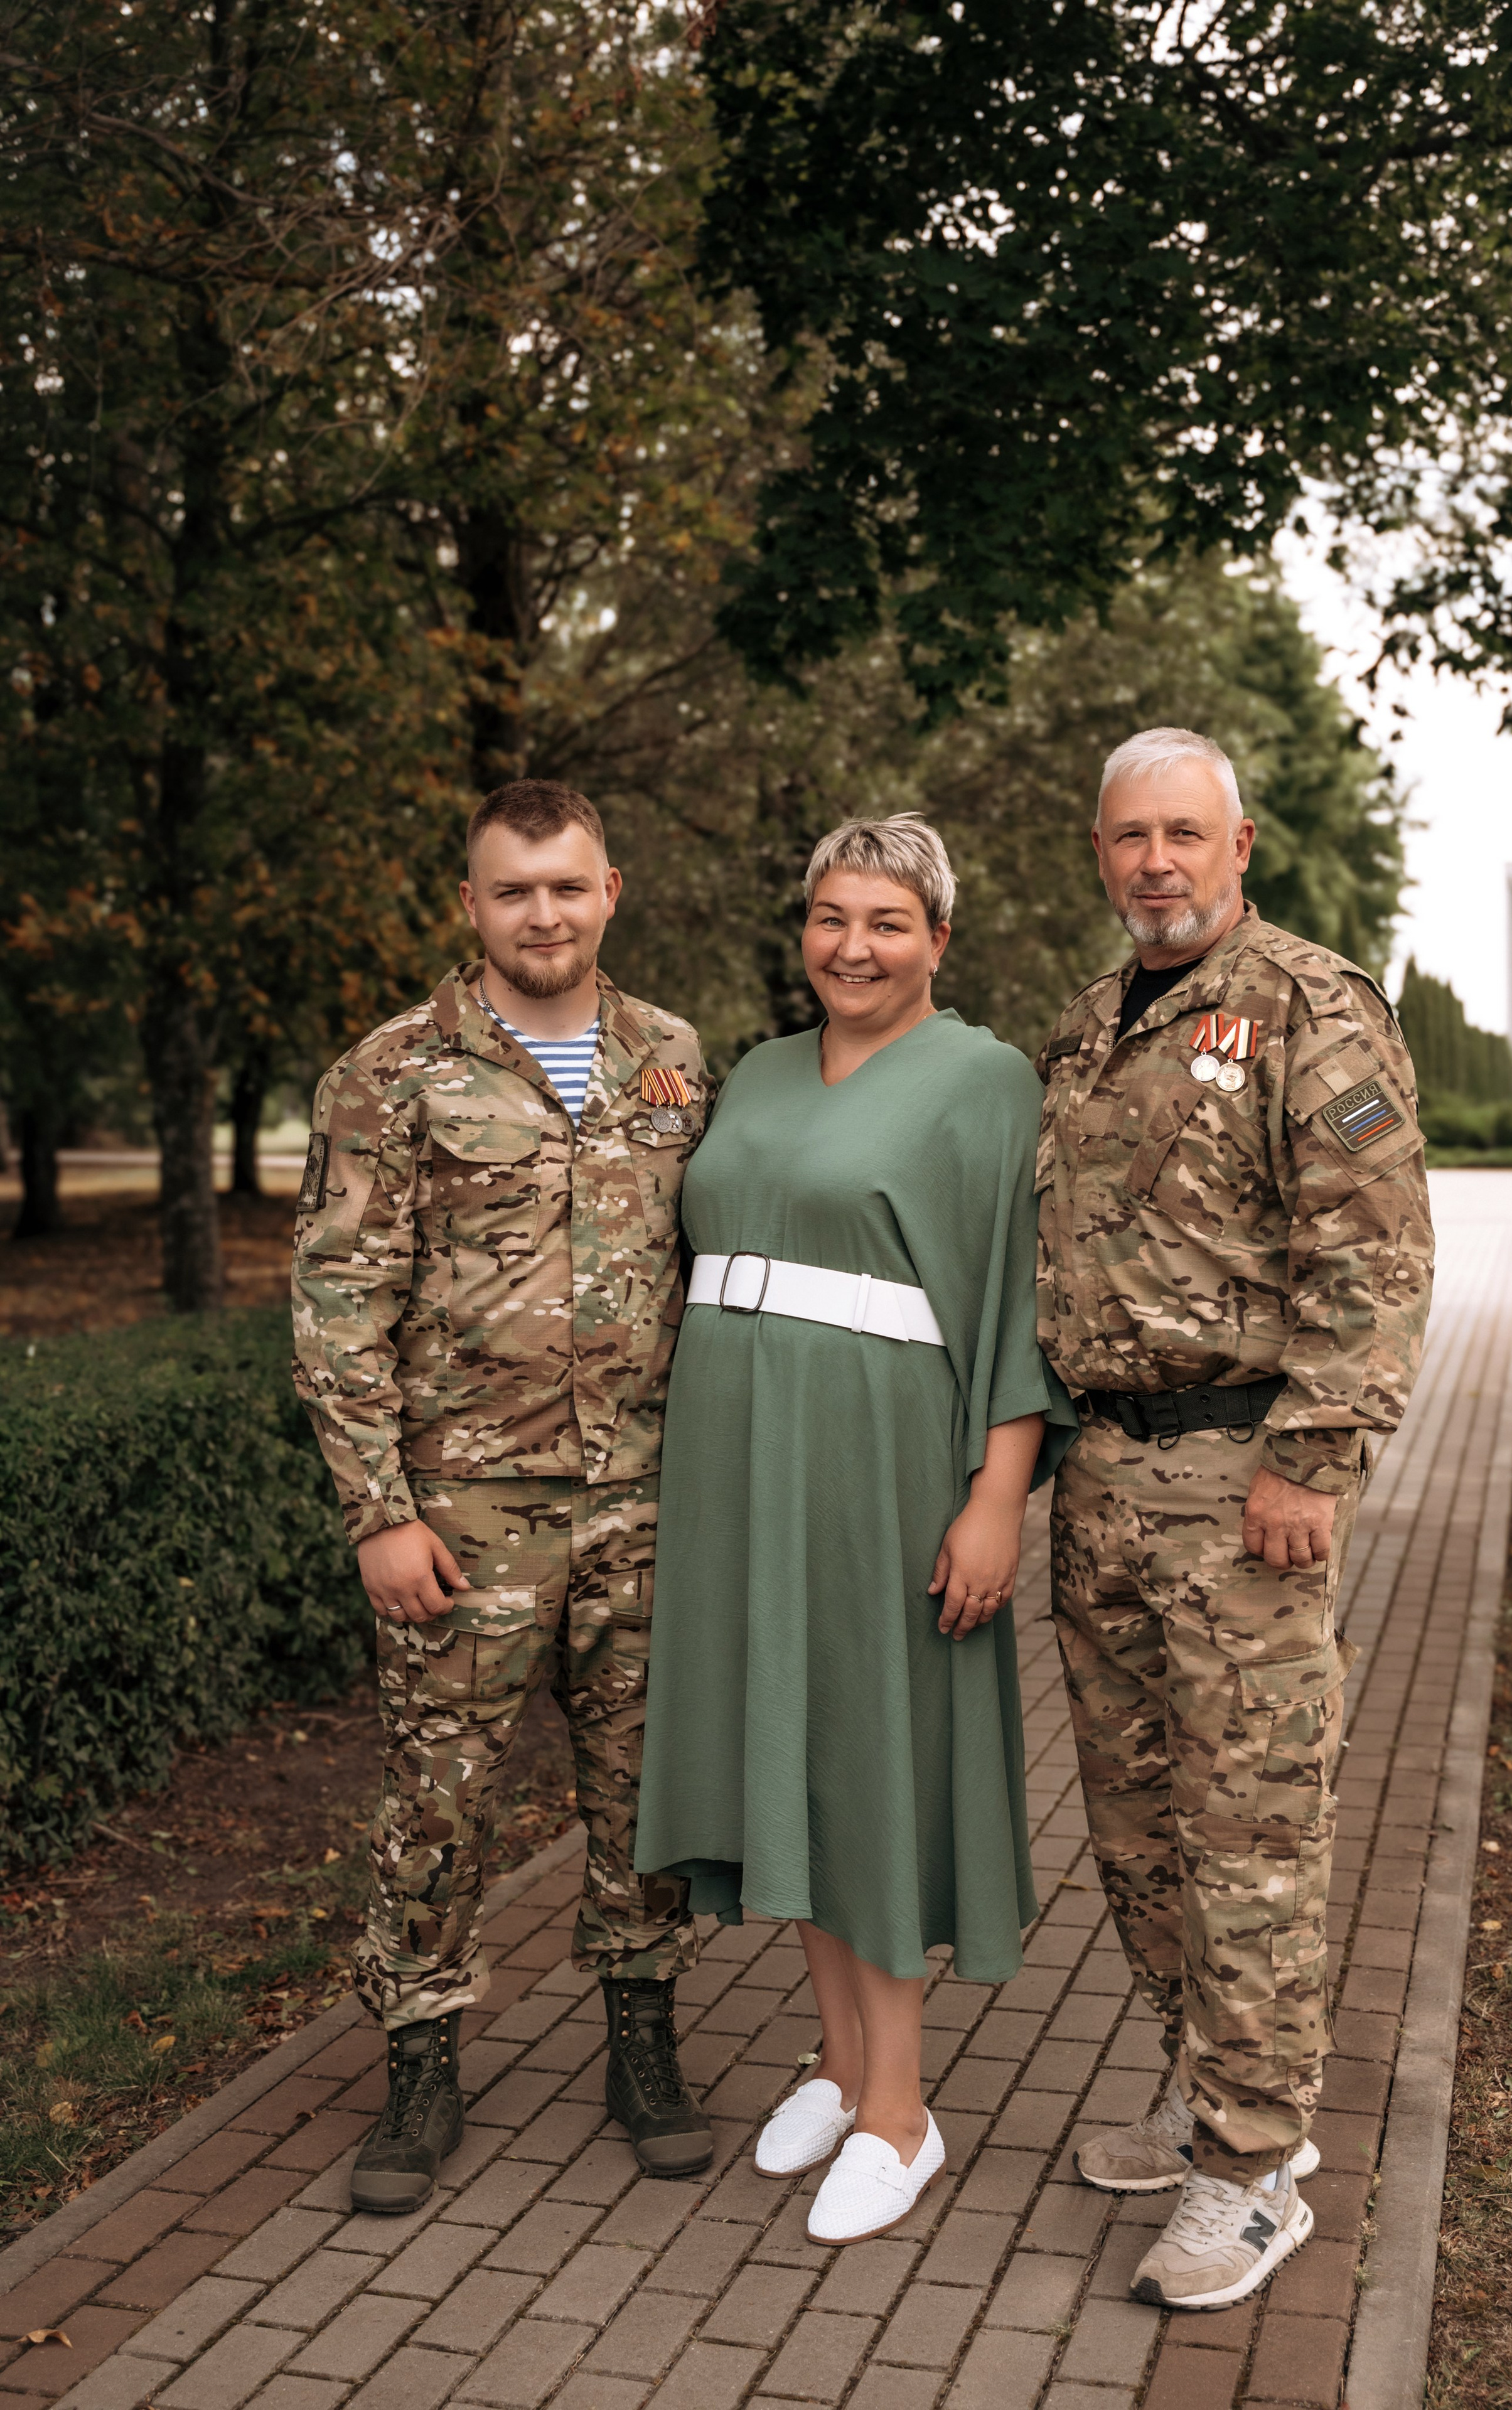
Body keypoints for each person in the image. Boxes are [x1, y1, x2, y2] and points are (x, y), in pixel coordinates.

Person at [1035, 727, 1434, 2310]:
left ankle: (1257, 2168)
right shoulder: (1086, 1026)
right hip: (1102, 1484)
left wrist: (1312, 1460)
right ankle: (1200, 2087)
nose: (1156, 862)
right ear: (1098, 851)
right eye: (1130, 835)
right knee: (1136, 1831)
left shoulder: (1307, 1008)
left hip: (1240, 1490)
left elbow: (1374, 1253)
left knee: (1251, 1840)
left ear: (1238, 844)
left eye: (1183, 833)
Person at [635, 813, 1074, 2247]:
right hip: (738, 1464)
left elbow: (1012, 1298)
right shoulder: (755, 1070)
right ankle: (834, 2067)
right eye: (830, 917)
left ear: (937, 937)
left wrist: (994, 1498)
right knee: (797, 1757)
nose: (853, 946)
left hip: (883, 1464)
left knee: (873, 1763)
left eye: (885, 922)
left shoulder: (985, 1080)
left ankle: (900, 2113)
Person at [291, 778, 714, 2212]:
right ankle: (418, 2066)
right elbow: (338, 1306)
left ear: (610, 893)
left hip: (643, 1502)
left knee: (643, 1793)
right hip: (464, 1519)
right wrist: (377, 1512)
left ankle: (643, 2046)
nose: (543, 915)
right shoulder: (392, 1072)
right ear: (470, 904)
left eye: (567, 886)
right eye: (514, 890)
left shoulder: (672, 1061)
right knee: (440, 1802)